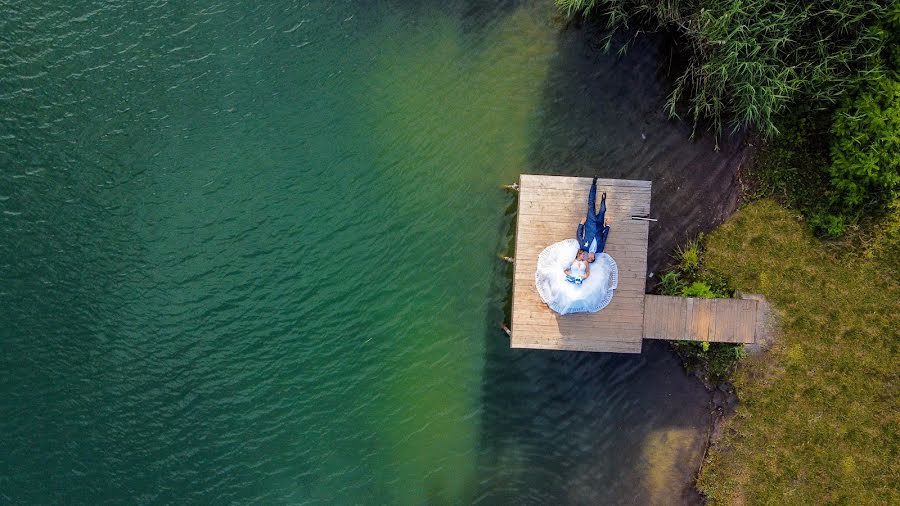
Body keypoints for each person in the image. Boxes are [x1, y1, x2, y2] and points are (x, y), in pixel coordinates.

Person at [575, 177, 611, 262]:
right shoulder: (599, 249)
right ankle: (603, 199)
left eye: (589, 258)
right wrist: (608, 225)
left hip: (590, 222)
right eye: (592, 258)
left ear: (587, 257)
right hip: (599, 225)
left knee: (591, 204)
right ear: (595, 257)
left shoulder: (584, 246)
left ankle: (594, 184)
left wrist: (581, 223)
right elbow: (604, 237)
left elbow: (579, 235)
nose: (591, 257)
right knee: (602, 210)